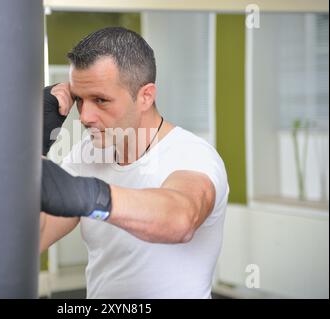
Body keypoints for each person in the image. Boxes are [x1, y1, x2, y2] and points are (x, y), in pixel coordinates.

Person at [40, 27, 229, 299]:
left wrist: (94, 196)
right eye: (80, 100)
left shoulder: (192, 154)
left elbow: (181, 219)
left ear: (145, 96)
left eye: (100, 100)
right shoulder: (86, 155)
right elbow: (37, 236)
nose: (85, 117)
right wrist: (33, 147)